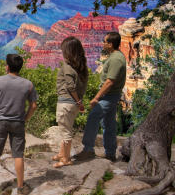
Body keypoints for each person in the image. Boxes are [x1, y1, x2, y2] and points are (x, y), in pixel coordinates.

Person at [0, 54, 38, 194]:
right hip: (18, 122)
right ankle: (20, 187)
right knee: (18, 154)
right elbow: (34, 105)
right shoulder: (28, 84)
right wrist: (25, 119)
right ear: (20, 68)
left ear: (7, 67)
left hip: (1, 121)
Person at [75, 31, 126, 161]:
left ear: (110, 44)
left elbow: (110, 81)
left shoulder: (116, 59)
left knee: (93, 117)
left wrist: (97, 97)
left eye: (105, 41)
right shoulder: (116, 56)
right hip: (111, 95)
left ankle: (88, 149)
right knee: (108, 123)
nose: (102, 44)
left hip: (109, 96)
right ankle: (110, 153)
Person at [51, 36, 89, 168]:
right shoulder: (82, 68)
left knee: (66, 132)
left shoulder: (67, 67)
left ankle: (66, 159)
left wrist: (78, 102)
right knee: (65, 129)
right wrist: (79, 102)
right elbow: (81, 87)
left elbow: (70, 86)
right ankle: (62, 153)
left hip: (66, 103)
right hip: (73, 104)